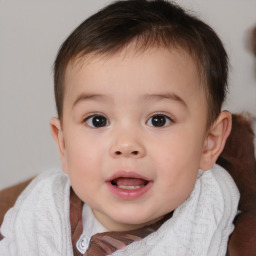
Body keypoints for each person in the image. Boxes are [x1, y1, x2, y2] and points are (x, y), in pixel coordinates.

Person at [0, 0, 240, 255]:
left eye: (158, 120)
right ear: (64, 144)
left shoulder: (215, 221)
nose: (126, 145)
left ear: (209, 142)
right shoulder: (40, 213)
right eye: (98, 120)